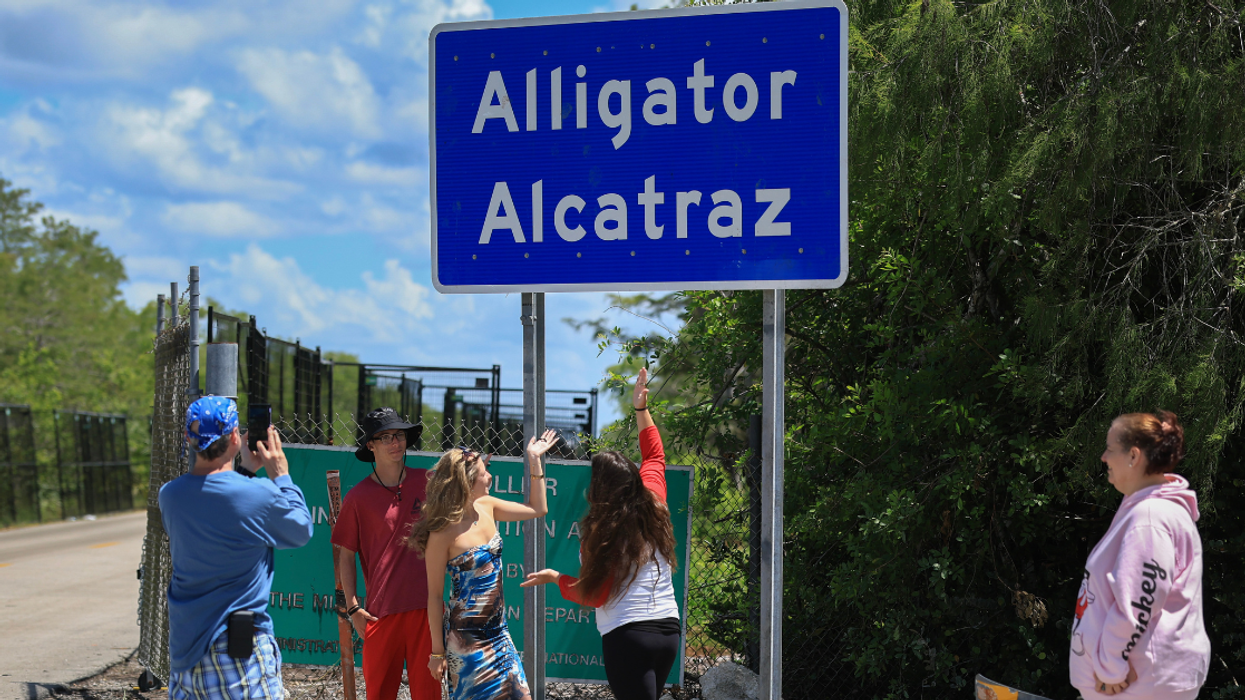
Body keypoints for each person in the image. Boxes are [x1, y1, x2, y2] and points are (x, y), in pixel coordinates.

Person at [521, 367, 681, 700]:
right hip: (668, 630)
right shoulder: (655, 501)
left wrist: (555, 578)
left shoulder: (604, 531)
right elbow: (655, 455)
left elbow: (594, 595)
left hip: (629, 634)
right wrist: (641, 409)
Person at [159, 396, 314, 700]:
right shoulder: (259, 494)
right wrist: (281, 475)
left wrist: (243, 471)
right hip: (237, 652)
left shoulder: (170, 496)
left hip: (185, 650)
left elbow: (218, 504)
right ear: (233, 438)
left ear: (191, 441)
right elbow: (300, 530)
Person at [408, 429, 559, 700]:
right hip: (466, 642)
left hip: (499, 634)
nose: (489, 476)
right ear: (467, 481)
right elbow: (433, 596)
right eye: (483, 471)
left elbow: (538, 508)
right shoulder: (441, 533)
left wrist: (534, 459)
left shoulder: (488, 506)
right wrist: (437, 652)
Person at [1069, 410, 1210, 699]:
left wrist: (1110, 669)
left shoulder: (1150, 517)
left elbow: (1137, 601)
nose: (1103, 458)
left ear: (1133, 456)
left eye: (1110, 449)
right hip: (1143, 682)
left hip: (1140, 683)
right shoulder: (1146, 509)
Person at [330, 407, 440, 700]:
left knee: (429, 695)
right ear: (370, 445)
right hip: (380, 615)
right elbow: (345, 556)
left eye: (400, 435)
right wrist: (353, 609)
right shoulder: (357, 498)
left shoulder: (428, 482)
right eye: (386, 437)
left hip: (426, 610)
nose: (396, 442)